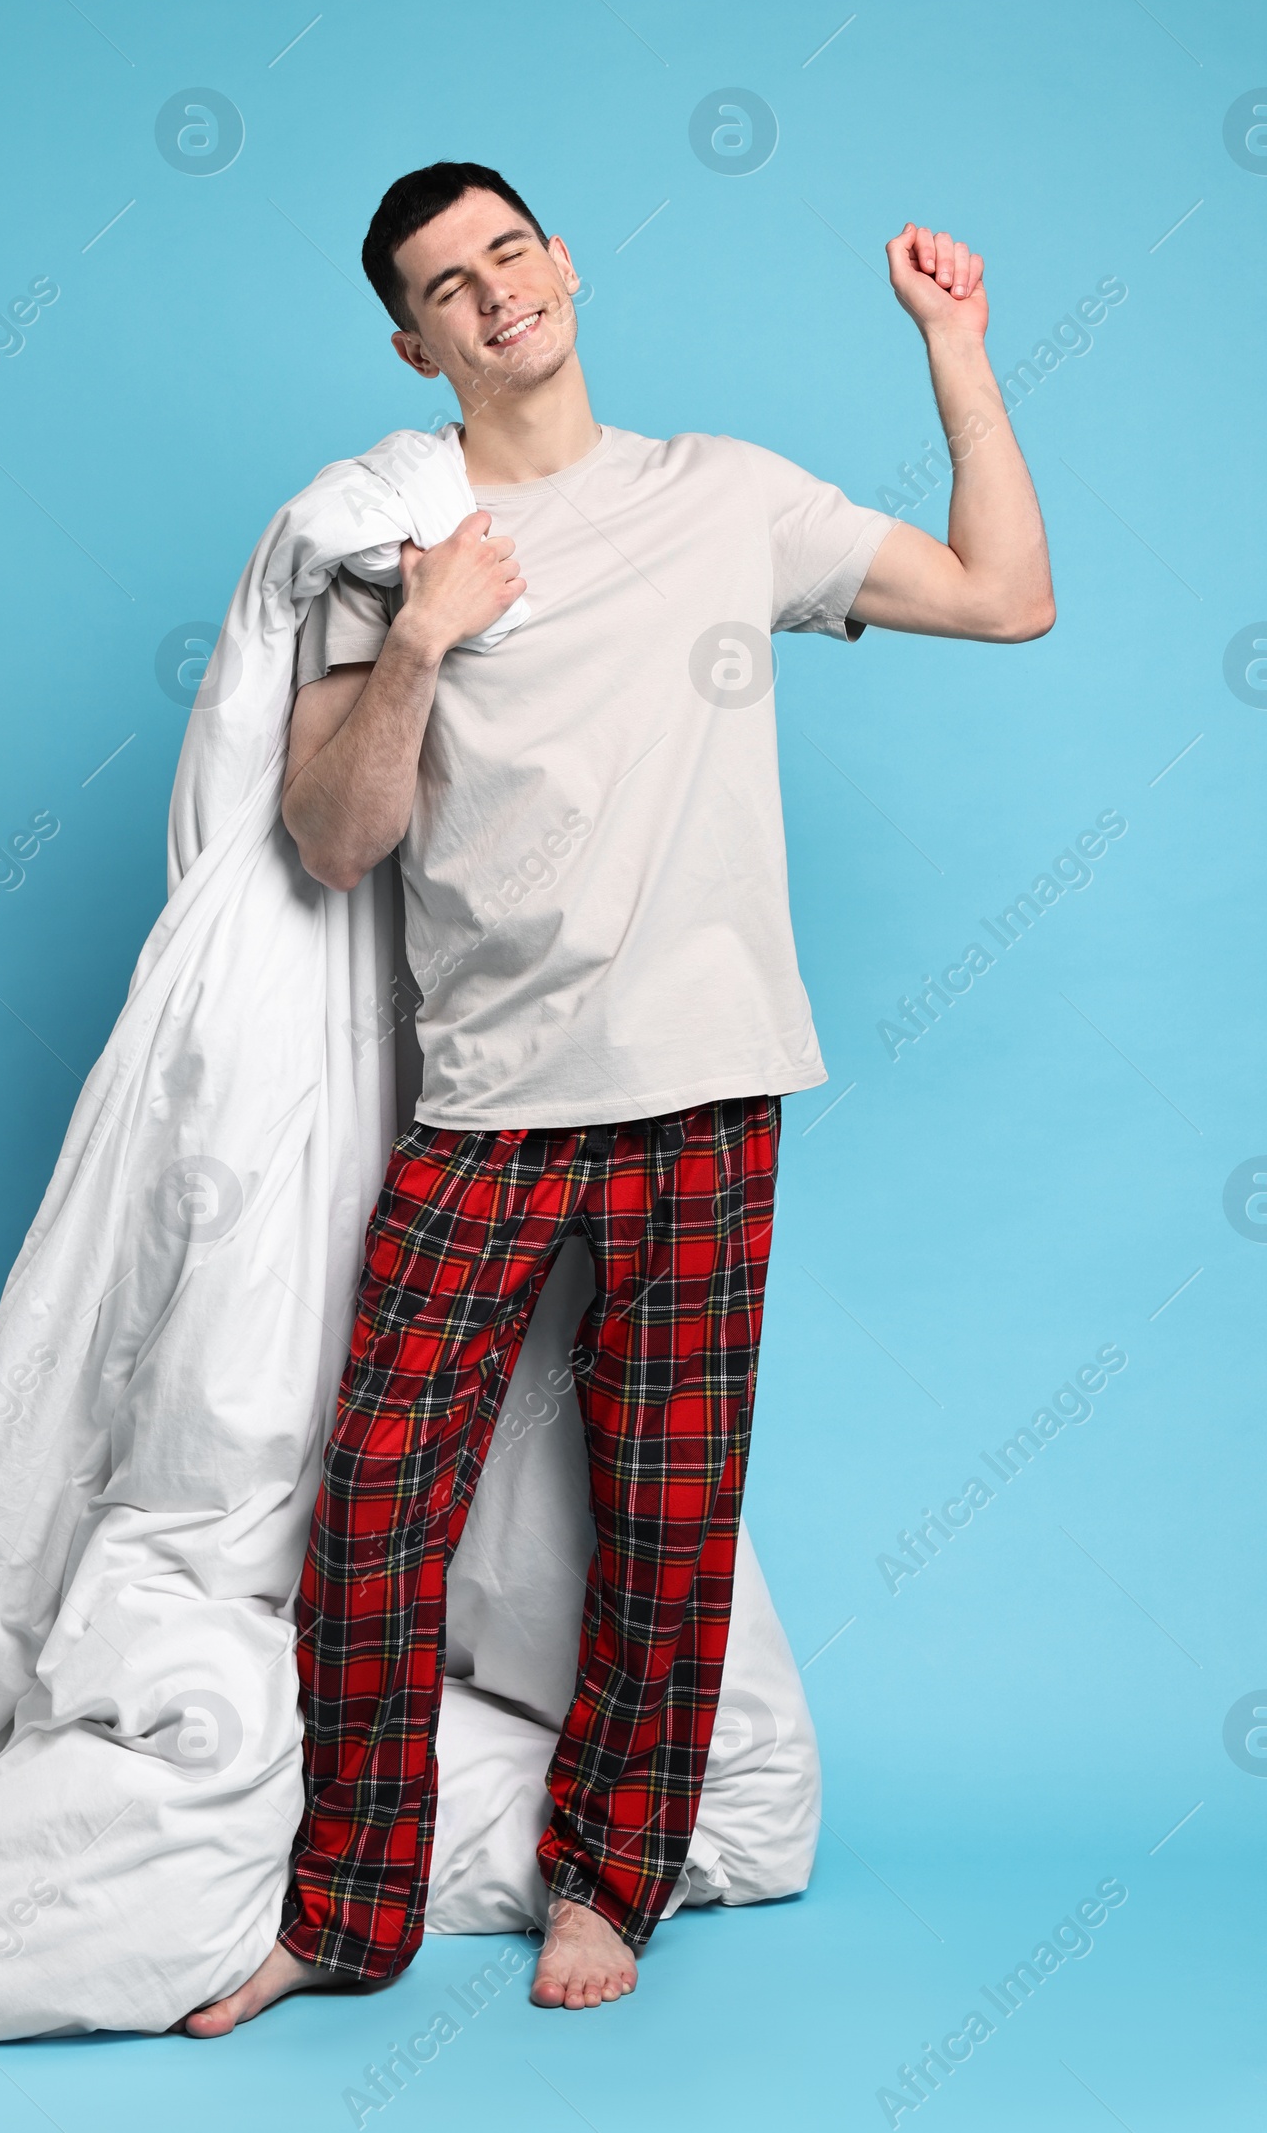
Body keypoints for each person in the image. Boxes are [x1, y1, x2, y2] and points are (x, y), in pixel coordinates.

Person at [180, 162, 1052, 2034]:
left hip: (707, 1092)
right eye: (448, 284)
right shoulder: (394, 544)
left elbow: (1006, 598)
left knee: (664, 1511)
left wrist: (957, 353)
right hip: (486, 1106)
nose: (495, 294)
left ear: (564, 266)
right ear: (413, 341)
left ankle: (608, 1882)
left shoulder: (724, 496)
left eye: (512, 251)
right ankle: (350, 1907)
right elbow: (333, 842)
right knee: (379, 1512)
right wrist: (424, 631)